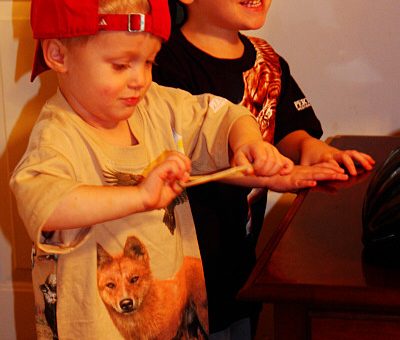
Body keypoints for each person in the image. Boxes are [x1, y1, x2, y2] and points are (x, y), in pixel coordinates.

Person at [8, 0, 308, 338]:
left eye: (148, 62)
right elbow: (45, 204)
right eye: (121, 65)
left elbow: (222, 114)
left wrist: (247, 141)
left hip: (174, 320)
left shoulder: (156, 106)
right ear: (59, 56)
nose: (139, 79)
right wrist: (139, 196)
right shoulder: (57, 136)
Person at [152, 0, 375, 338]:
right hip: (186, 266)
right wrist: (274, 173)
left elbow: (286, 127)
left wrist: (309, 149)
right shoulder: (163, 63)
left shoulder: (267, 60)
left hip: (242, 263)